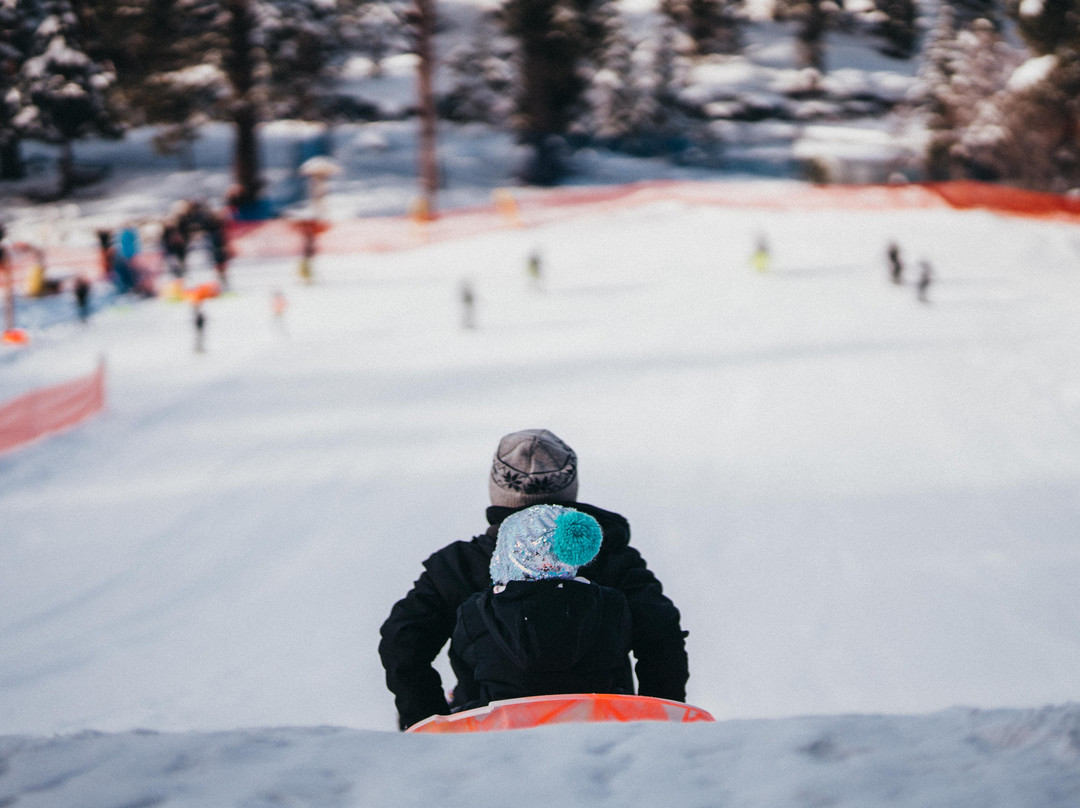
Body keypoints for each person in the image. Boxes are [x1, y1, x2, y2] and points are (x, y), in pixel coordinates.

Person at [378, 428, 690, 731]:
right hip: (603, 728)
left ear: (498, 490)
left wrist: (430, 721)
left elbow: (402, 642)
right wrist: (655, 721)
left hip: (484, 736)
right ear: (570, 488)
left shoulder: (458, 565)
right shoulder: (611, 557)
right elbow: (663, 638)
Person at [449, 504, 632, 712]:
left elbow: (468, 689)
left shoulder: (474, 614)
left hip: (502, 738)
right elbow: (620, 684)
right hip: (593, 734)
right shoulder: (611, 605)